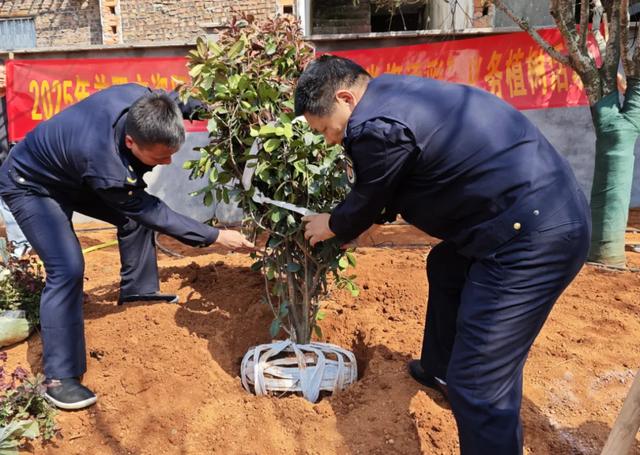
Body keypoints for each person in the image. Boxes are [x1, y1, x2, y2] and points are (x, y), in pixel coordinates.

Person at [296, 55, 590, 454]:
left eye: (327, 129)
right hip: (529, 211)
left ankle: (464, 387)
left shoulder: (375, 126)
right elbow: (400, 176)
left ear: (346, 98)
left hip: (531, 238)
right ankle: (439, 370)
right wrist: (365, 219)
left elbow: (368, 195)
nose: (331, 140)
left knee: (480, 383)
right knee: (446, 265)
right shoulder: (395, 95)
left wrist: (334, 224)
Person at [0, 83, 254, 410]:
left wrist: (220, 115)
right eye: (160, 156)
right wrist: (216, 236)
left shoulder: (142, 99)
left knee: (133, 217)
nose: (166, 161)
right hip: (32, 184)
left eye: (172, 152)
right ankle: (60, 379)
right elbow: (152, 211)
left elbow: (175, 101)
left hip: (72, 172)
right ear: (131, 142)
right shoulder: (107, 167)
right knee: (67, 267)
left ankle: (139, 289)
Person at [0, 64, 31, 258]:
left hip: (12, 163)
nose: (1, 77)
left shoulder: (18, 101)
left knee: (10, 204)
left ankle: (20, 247)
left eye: (5, 73)